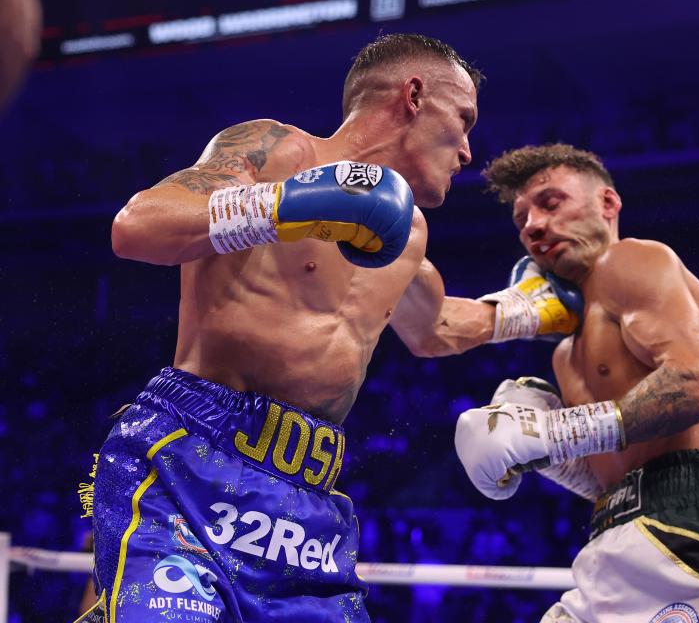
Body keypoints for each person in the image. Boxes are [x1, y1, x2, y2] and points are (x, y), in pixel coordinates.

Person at [87, 34, 581, 623]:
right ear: (414, 96)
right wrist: (291, 204)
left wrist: (537, 309)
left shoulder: (408, 235)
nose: (469, 151)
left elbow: (437, 327)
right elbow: (137, 226)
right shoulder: (280, 151)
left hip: (308, 504)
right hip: (190, 460)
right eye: (464, 119)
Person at [442, 144, 699, 622]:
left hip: (696, 536)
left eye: (550, 203)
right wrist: (546, 456)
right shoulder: (566, 354)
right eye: (521, 219)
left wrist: (554, 433)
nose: (533, 226)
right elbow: (612, 475)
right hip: (607, 547)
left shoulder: (633, 260)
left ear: (607, 203)